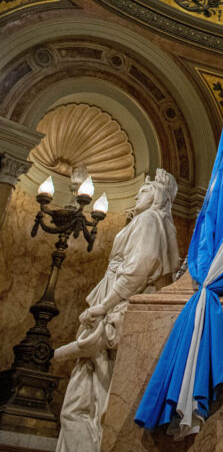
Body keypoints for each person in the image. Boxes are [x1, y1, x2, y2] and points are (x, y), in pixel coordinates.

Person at [54, 169, 179, 452]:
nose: (138, 193)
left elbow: (139, 267)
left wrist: (103, 305)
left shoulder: (149, 220)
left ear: (158, 196)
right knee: (92, 393)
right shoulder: (151, 221)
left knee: (86, 398)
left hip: (117, 309)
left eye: (145, 190)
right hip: (116, 305)